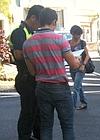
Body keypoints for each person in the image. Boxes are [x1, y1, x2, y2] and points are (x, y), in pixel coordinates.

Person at [23, 8, 80, 140]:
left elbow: (32, 72)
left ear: (40, 21)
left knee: (46, 126)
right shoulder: (60, 39)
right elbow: (73, 64)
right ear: (54, 21)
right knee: (67, 126)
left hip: (41, 87)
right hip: (60, 87)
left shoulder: (28, 43)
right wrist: (78, 60)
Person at [9, 5, 44, 140]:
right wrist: (39, 55)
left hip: (33, 78)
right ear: (33, 17)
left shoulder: (31, 32)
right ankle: (24, 136)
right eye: (39, 22)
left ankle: (37, 135)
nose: (40, 25)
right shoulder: (19, 32)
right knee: (28, 112)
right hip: (25, 78)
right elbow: (18, 54)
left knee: (36, 111)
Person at [69, 25, 89, 110]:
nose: (78, 37)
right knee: (79, 86)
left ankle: (72, 106)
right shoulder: (68, 43)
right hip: (72, 67)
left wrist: (83, 64)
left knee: (76, 87)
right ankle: (83, 102)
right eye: (76, 34)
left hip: (81, 68)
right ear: (72, 34)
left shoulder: (82, 43)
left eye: (79, 35)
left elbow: (87, 55)